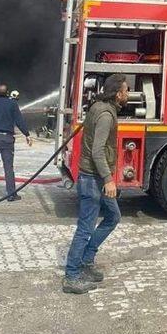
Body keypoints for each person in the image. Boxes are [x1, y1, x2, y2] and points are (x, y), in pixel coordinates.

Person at [63, 75, 129, 295]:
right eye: (126, 91)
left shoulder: (99, 107)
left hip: (94, 177)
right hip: (93, 179)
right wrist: (109, 179)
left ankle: (86, 260)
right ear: (117, 94)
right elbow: (97, 151)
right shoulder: (106, 115)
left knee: (113, 216)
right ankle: (71, 275)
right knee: (85, 228)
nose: (128, 94)